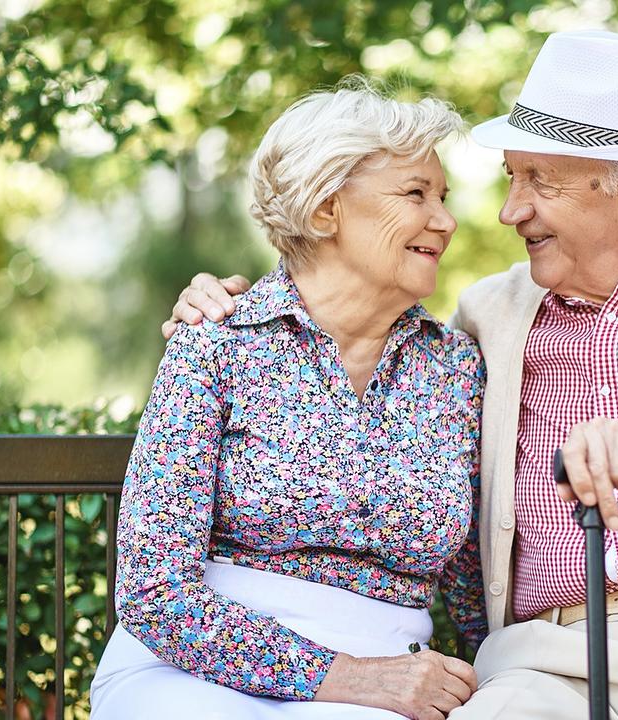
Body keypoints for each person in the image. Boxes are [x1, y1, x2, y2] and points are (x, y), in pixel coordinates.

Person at [168, 31, 618, 720]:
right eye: (512, 177)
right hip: (546, 666)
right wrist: (226, 306)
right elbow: (343, 314)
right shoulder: (490, 318)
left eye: (541, 180)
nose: (510, 211)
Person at [90, 79, 487, 720]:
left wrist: (492, 684)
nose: (445, 221)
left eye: (443, 197)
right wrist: (343, 677)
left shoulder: (455, 367)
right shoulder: (216, 343)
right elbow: (154, 590)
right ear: (326, 209)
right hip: (187, 668)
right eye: (416, 194)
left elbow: (473, 583)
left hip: (391, 677)